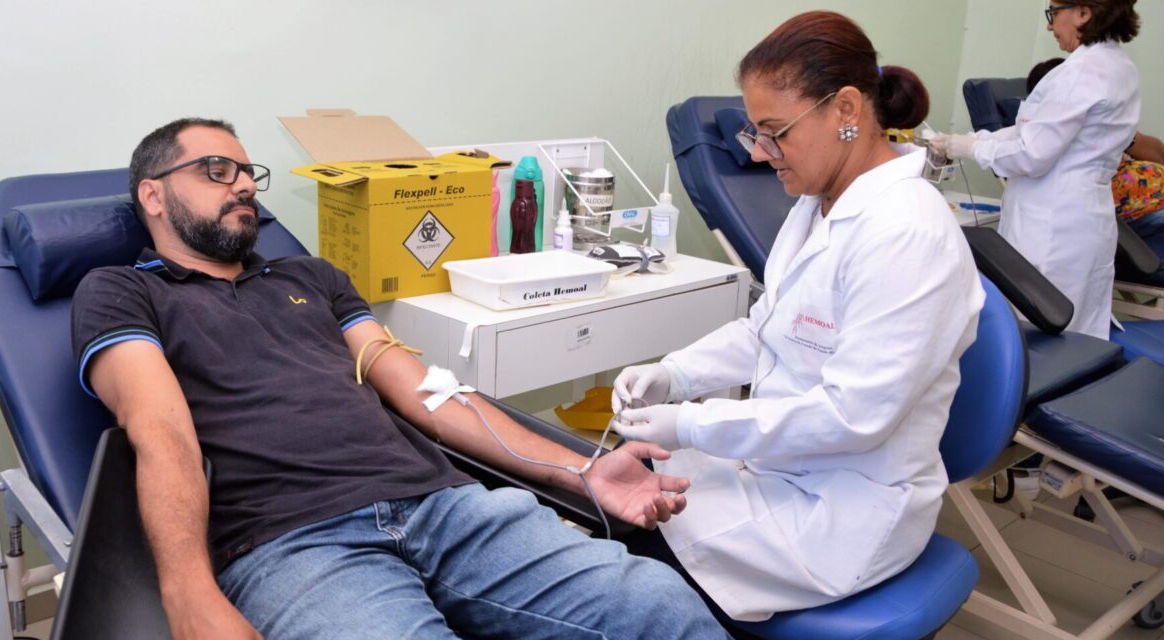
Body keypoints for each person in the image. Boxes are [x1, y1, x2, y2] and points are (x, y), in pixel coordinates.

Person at [71, 118, 729, 639]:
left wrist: (579, 469)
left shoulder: (312, 278)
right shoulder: (121, 293)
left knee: (657, 605)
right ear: (151, 194)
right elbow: (161, 431)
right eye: (217, 170)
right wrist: (190, 594)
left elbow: (424, 389)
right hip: (295, 543)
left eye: (248, 172)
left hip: (447, 506)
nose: (243, 185)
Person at [607, 11, 984, 623]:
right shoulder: (816, 205)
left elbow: (852, 416)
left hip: (845, 513)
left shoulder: (910, 235)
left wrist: (692, 424)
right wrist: (674, 374)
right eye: (756, 133)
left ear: (846, 111)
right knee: (611, 499)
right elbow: (768, 330)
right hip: (783, 471)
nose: (760, 154)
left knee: (621, 563)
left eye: (775, 132)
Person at [932, 0, 1142, 339]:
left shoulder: (1081, 73)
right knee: (1079, 335)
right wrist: (971, 139)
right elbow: (1031, 128)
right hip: (1086, 218)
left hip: (1052, 226)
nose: (1049, 26)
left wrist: (971, 148)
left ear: (1083, 13)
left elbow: (1032, 153)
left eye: (1054, 13)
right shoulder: (1119, 66)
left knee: (1040, 335)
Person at [1026, 56, 1164, 277]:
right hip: (1139, 224)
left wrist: (1124, 137)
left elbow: (1159, 153)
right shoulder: (1050, 141)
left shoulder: (1105, 127)